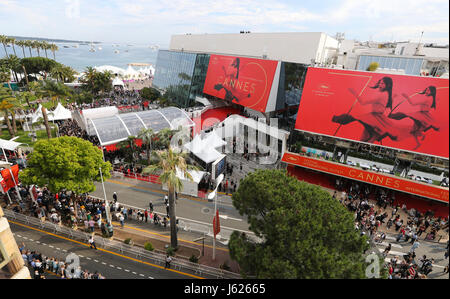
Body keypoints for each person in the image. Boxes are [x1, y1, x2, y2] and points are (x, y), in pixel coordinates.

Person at [331, 76, 399, 144]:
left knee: (355, 119)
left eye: (382, 83)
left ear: (387, 85)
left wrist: (354, 92)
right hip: (377, 118)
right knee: (368, 137)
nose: (380, 85)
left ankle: (338, 119)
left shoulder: (381, 95)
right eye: (380, 83)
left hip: (375, 118)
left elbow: (363, 102)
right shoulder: (387, 94)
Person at [389, 86, 440, 150]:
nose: (426, 91)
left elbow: (413, 103)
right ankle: (419, 141)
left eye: (428, 90)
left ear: (432, 92)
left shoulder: (427, 99)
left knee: (405, 115)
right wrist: (422, 92)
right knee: (413, 131)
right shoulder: (431, 97)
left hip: (423, 115)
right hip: (421, 114)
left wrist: (406, 96)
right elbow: (433, 98)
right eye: (426, 90)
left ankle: (392, 116)